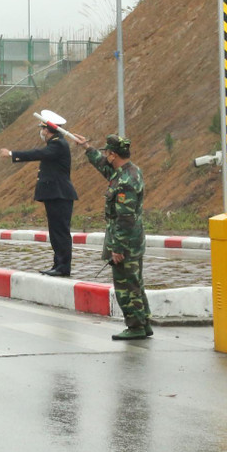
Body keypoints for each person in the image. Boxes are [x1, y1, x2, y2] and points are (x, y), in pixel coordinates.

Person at [76, 133, 152, 340]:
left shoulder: (125, 181)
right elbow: (103, 167)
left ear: (112, 155)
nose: (106, 157)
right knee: (136, 282)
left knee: (126, 286)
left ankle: (135, 326)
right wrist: (87, 147)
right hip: (133, 241)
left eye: (107, 153)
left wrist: (117, 248)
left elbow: (125, 217)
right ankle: (143, 323)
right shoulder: (128, 171)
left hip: (125, 242)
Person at [0, 118, 78, 276]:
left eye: (42, 129)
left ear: (47, 130)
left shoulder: (58, 144)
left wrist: (12, 154)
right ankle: (58, 265)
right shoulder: (55, 143)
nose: (41, 132)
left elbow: (37, 153)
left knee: (60, 232)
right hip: (55, 194)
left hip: (60, 194)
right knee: (56, 232)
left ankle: (63, 267)